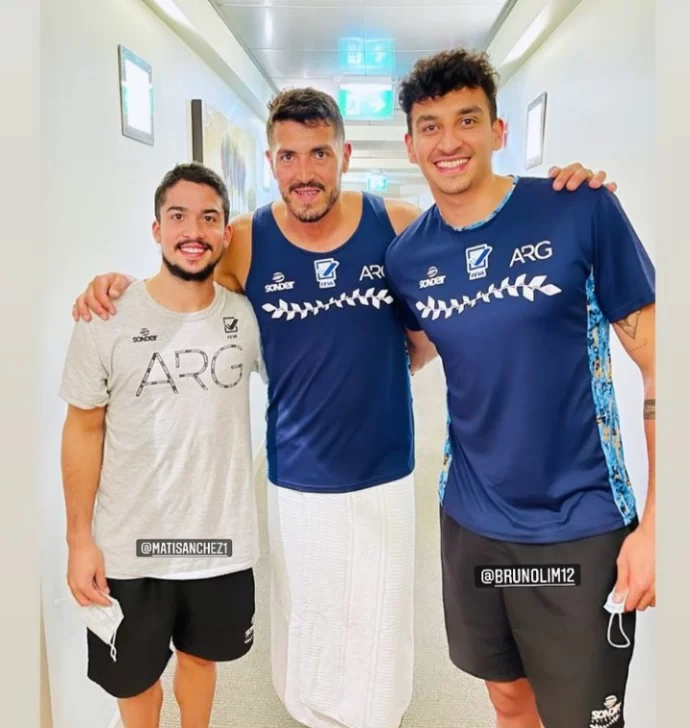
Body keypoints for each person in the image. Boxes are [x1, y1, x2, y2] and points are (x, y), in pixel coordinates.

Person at [70, 87, 616, 728]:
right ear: (272, 162)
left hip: (384, 469)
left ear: (345, 155)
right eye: (289, 156)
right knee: (310, 620)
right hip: (295, 476)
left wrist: (561, 202)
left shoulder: (399, 225)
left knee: (380, 622)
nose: (304, 172)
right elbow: (182, 281)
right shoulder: (245, 242)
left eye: (319, 153)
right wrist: (116, 287)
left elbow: (468, 267)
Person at [383, 49, 655, 728]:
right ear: (411, 144)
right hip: (472, 521)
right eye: (430, 126)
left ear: (498, 130)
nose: (448, 141)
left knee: (581, 718)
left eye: (467, 119)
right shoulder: (408, 258)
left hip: (579, 523)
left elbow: (664, 366)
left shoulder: (578, 209)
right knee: (507, 698)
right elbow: (416, 350)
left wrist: (660, 526)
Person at [59, 162, 264, 728]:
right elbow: (83, 430)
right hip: (129, 547)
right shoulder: (106, 317)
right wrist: (79, 540)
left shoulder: (247, 318)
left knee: (200, 660)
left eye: (209, 218)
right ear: (156, 229)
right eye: (178, 216)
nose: (193, 231)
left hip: (220, 542)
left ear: (226, 233)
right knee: (135, 678)